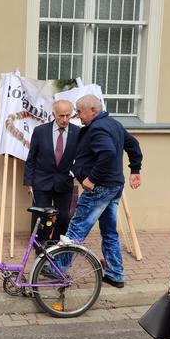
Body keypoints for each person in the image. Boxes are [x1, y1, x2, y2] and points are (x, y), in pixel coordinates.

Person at [62, 94, 142, 288]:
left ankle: (57, 268)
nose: (77, 115)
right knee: (109, 232)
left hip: (100, 188)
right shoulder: (114, 124)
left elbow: (107, 153)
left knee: (76, 229)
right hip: (114, 187)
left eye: (79, 111)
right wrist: (135, 169)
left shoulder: (98, 128)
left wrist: (92, 179)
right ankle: (115, 274)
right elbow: (134, 145)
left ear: (93, 111)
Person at [24, 99, 80, 241]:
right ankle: (40, 246)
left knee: (62, 218)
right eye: (61, 115)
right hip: (42, 182)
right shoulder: (40, 131)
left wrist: (73, 172)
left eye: (68, 115)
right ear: (54, 114)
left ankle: (56, 245)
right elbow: (31, 157)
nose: (65, 119)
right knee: (41, 218)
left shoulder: (77, 132)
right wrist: (28, 181)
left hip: (64, 182)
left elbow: (82, 158)